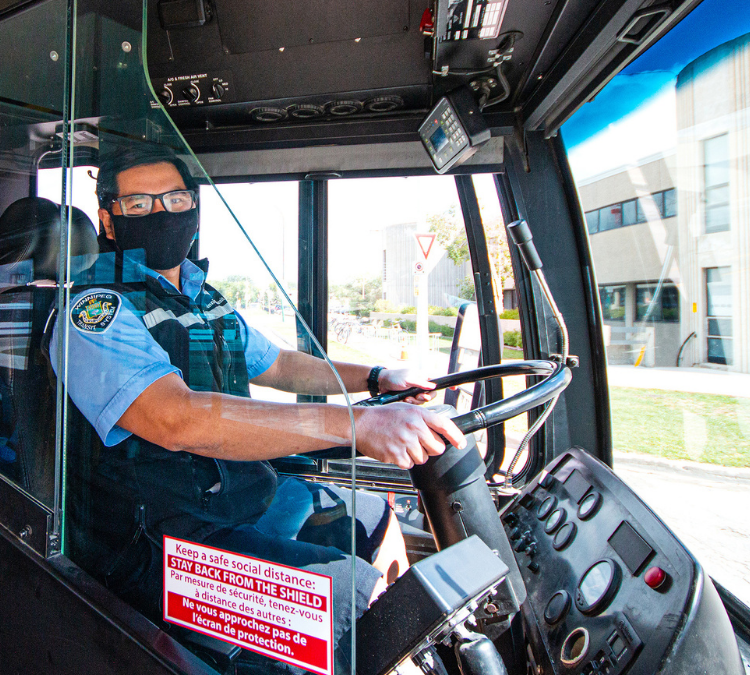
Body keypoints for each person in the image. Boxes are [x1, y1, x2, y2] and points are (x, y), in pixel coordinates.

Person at [53, 143, 466, 673]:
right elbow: (176, 418)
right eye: (139, 206)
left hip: (235, 499)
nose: (162, 215)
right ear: (109, 220)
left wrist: (378, 378)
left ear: (193, 207)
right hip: (157, 538)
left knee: (373, 513)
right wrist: (356, 423)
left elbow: (280, 366)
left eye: (175, 199)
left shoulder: (205, 299)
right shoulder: (95, 311)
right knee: (347, 599)